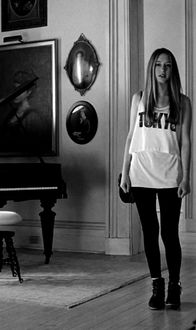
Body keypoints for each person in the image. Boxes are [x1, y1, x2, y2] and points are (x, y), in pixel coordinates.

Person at [120, 48, 192, 310]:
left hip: (171, 173)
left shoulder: (183, 102)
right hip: (141, 173)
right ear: (152, 69)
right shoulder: (138, 98)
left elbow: (185, 142)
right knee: (150, 233)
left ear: (173, 70)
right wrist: (125, 172)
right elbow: (131, 137)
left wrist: (186, 177)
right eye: (159, 65)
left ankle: (174, 286)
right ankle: (156, 286)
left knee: (169, 233)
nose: (163, 70)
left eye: (168, 65)